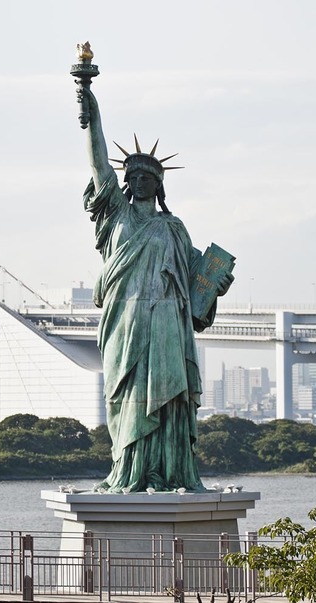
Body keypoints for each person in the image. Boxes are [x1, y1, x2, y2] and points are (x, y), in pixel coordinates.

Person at [77, 75, 233, 494]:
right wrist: (89, 103)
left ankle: (168, 471)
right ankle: (129, 470)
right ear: (123, 181)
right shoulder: (115, 217)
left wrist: (216, 285)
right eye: (134, 174)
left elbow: (195, 290)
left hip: (167, 323)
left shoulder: (174, 229)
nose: (141, 179)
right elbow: (96, 160)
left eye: (149, 175)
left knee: (169, 401)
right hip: (125, 322)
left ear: (160, 184)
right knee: (127, 397)